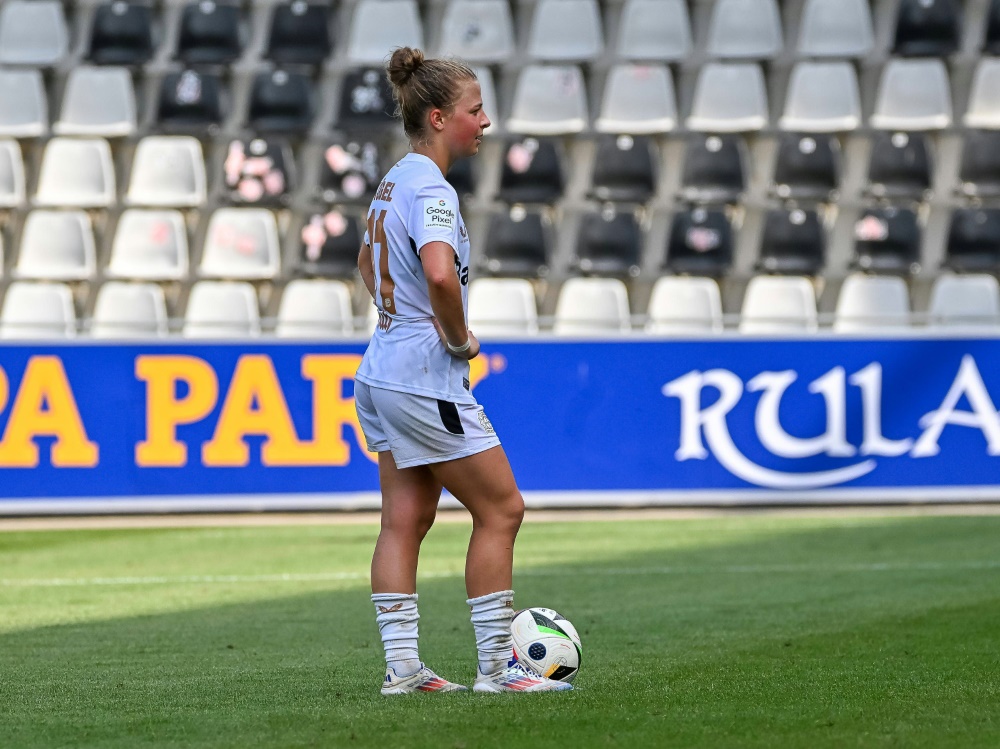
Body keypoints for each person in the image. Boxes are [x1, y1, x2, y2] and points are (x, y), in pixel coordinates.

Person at [354, 47, 571, 695]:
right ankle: (498, 670)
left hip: (381, 366)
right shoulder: (432, 188)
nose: (486, 121)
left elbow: (368, 265)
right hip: (424, 373)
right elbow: (442, 271)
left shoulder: (394, 181)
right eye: (476, 111)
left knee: (404, 519)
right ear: (442, 116)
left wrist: (404, 316)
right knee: (503, 507)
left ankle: (403, 670)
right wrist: (457, 335)